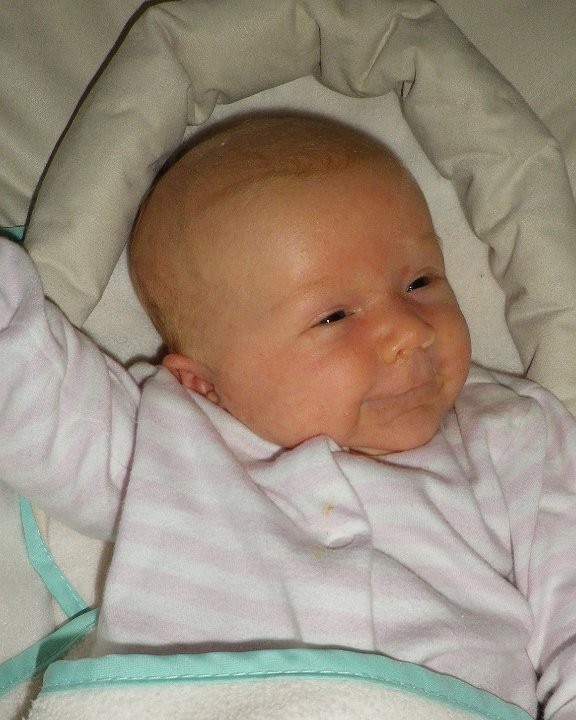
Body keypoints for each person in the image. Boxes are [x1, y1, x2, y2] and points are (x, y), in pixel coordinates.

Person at [1, 114, 576, 718]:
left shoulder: (512, 435)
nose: (408, 332)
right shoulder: (173, 442)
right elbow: (35, 390)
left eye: (420, 282)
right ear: (205, 384)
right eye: (334, 317)